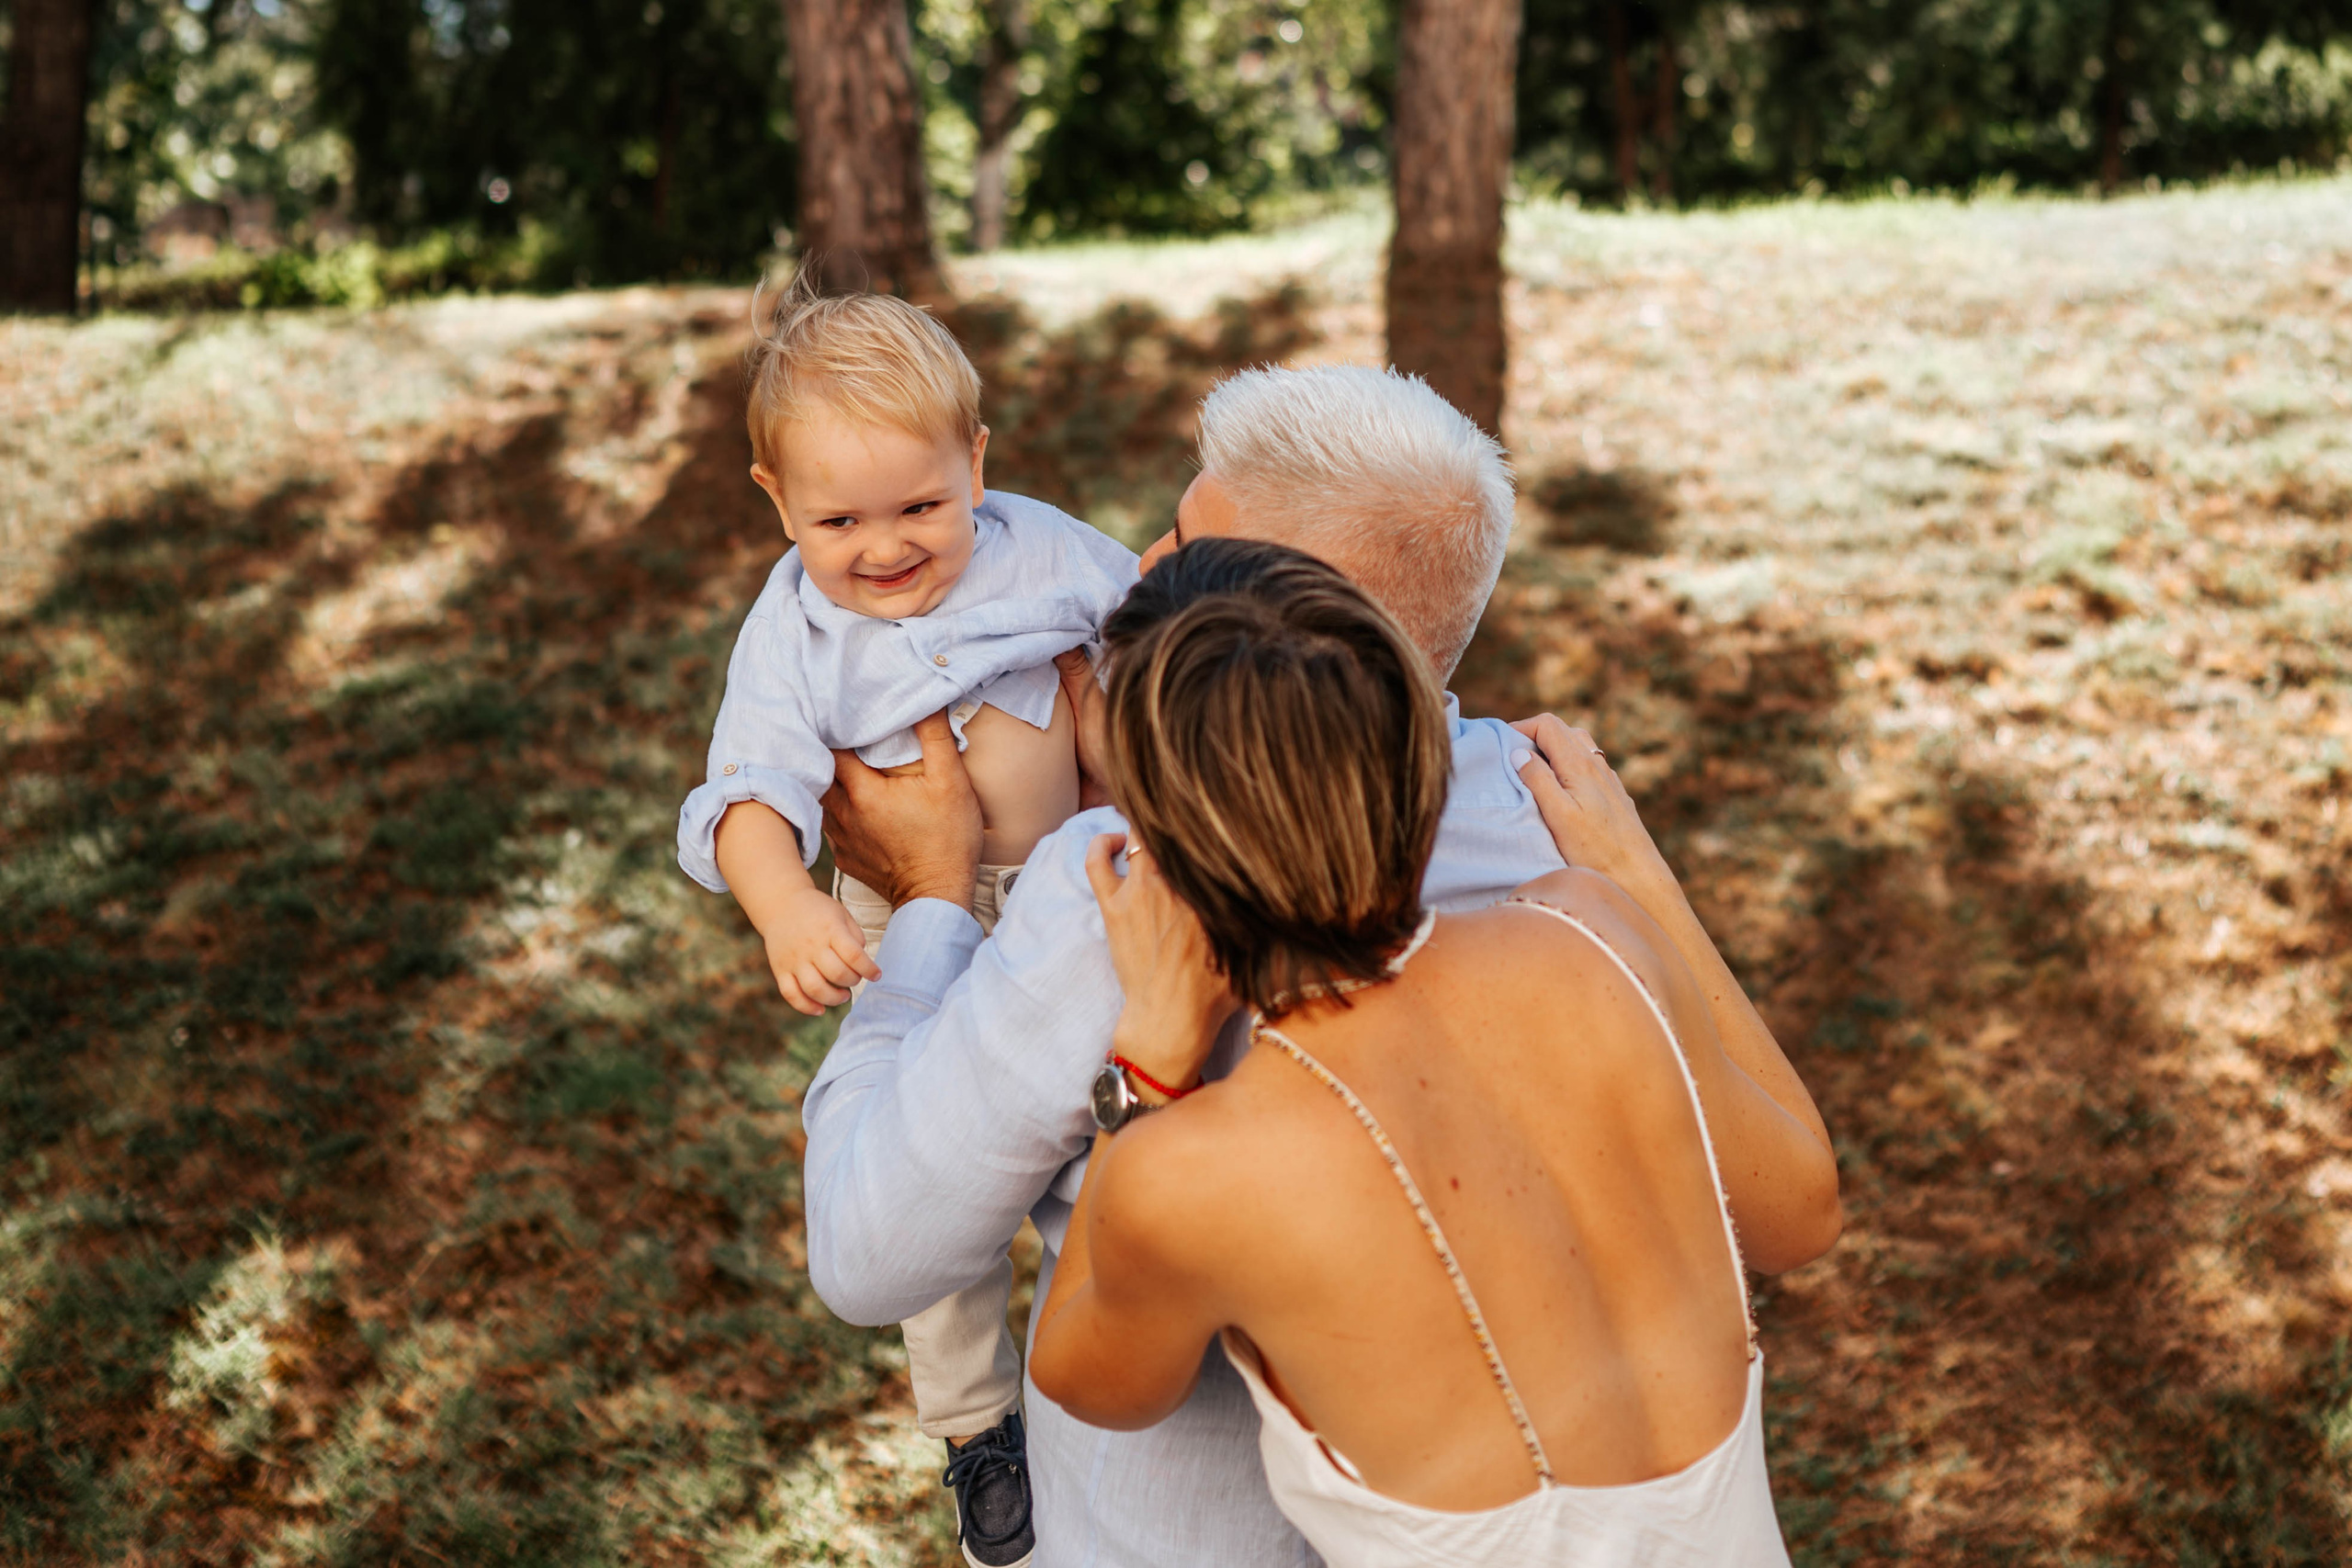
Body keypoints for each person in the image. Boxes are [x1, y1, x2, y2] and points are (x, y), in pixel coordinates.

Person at [805, 364, 1832, 1566]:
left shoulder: (1123, 905)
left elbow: (878, 1259)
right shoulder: (1577, 885)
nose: (1136, 560)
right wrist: (1642, 885)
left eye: (1187, 552)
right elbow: (1795, 1208)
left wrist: (936, 901)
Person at [1026, 541, 1841, 1565]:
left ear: (1164, 846)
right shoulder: (1593, 935)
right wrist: (1641, 881)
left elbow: (1092, 1383)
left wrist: (1146, 1058)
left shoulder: (1189, 1166)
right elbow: (1801, 1211)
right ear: (1423, 761)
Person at [677, 270, 1136, 1566]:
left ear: (977, 459)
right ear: (773, 499)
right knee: (932, 1193)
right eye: (839, 519)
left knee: (1107, 1160)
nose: (885, 547)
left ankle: (1113, 1393)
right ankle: (977, 1420)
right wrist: (780, 907)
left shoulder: (1049, 551)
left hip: (1070, 909)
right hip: (906, 936)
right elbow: (747, 796)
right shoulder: (791, 636)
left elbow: (1156, 637)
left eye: (924, 504)